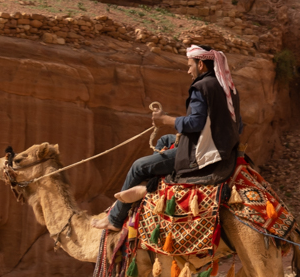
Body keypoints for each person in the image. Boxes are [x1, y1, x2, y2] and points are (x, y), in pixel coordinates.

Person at [94, 44, 244, 231]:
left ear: (201, 66)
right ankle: (155, 188)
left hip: (204, 154)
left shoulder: (201, 87)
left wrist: (164, 119)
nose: (188, 70)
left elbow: (195, 123)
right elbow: (236, 125)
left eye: (190, 65)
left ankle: (115, 219)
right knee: (165, 141)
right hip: (224, 149)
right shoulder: (228, 87)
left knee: (138, 166)